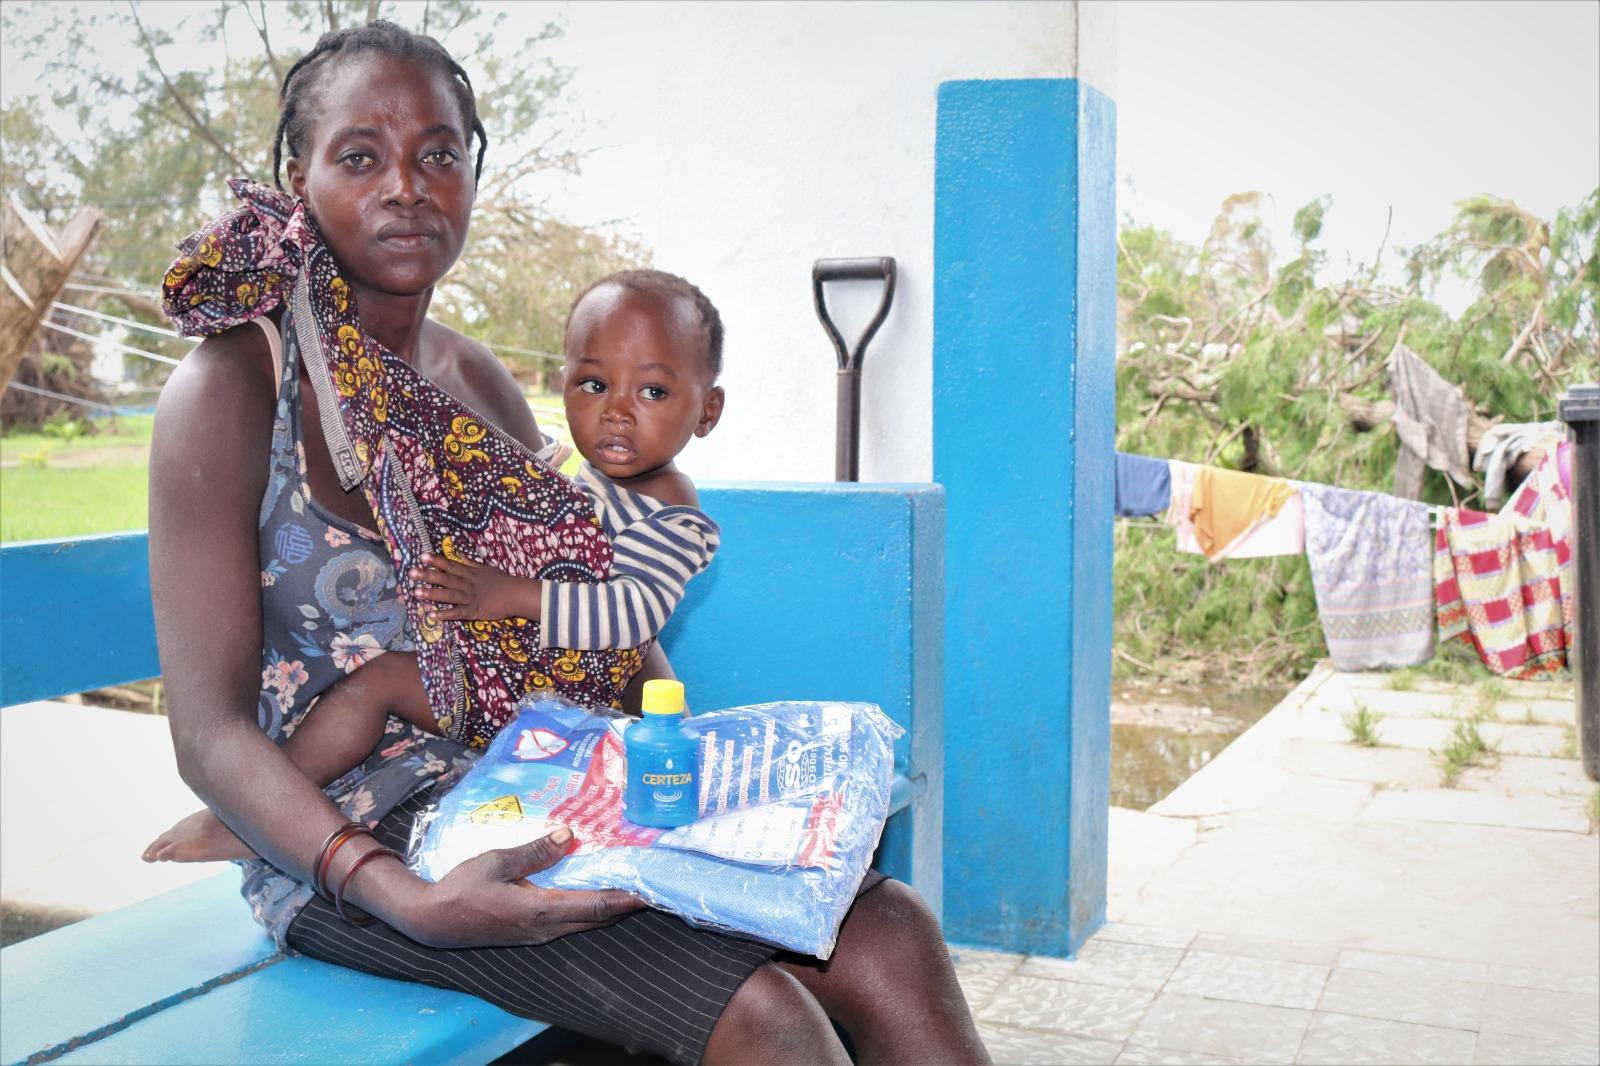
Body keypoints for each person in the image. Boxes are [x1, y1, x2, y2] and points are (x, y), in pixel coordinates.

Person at [145, 19, 988, 1066]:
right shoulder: (234, 389)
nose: (406, 185)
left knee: (890, 929)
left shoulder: (476, 383)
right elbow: (208, 732)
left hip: (534, 778)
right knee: (770, 1021)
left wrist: (704, 779)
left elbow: (597, 616)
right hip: (349, 837)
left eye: (439, 154)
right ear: (296, 174)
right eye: (360, 156)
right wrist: (401, 894)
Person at [144, 268, 727, 865]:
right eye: (594, 384)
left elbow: (634, 613)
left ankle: (247, 824)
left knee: (380, 684)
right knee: (375, 682)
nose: (617, 412)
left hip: (550, 696)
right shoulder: (590, 484)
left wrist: (504, 594)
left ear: (706, 412)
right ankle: (257, 810)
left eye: (652, 392)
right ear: (564, 384)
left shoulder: (674, 515)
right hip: (516, 672)